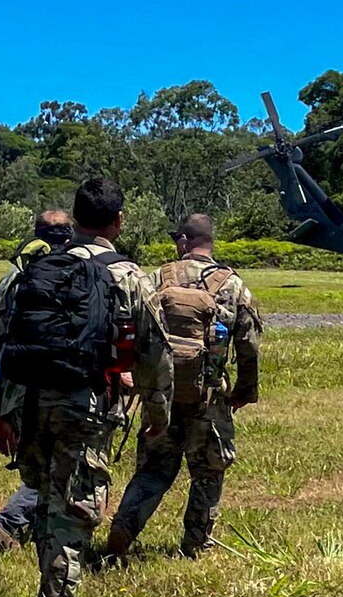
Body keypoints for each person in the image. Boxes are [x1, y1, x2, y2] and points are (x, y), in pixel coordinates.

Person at [0, 176, 170, 597]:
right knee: (73, 517)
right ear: (118, 221)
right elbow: (154, 350)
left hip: (29, 404)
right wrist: (159, 409)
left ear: (75, 217)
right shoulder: (129, 276)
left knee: (46, 505)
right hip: (85, 407)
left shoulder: (31, 270)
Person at [105, 214, 262, 561]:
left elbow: (134, 326)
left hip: (161, 394)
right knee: (208, 473)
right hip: (207, 397)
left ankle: (125, 527)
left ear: (185, 240)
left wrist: (133, 376)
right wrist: (244, 391)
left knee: (153, 470)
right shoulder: (232, 285)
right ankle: (196, 545)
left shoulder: (159, 277)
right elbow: (248, 344)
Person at [0, 207, 73, 554]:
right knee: (56, 466)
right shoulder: (77, 273)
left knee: (38, 463)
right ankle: (12, 520)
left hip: (16, 384)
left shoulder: (13, 279)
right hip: (61, 383)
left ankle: (25, 523)